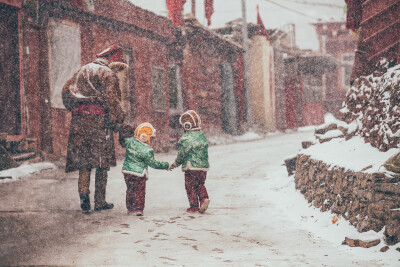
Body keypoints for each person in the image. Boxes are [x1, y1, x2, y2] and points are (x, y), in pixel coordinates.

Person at [62, 44, 133, 213]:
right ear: (111, 61)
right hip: (99, 122)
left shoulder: (81, 70)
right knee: (102, 162)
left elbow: (66, 91)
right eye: (117, 67)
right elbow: (112, 100)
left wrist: (76, 108)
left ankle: (83, 195)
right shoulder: (107, 74)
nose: (116, 71)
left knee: (84, 161)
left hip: (79, 122)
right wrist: (119, 121)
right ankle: (99, 201)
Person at [121, 122, 170, 216]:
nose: (150, 140)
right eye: (150, 138)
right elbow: (154, 164)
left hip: (127, 172)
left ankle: (130, 208)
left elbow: (123, 138)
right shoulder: (147, 150)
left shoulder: (129, 141)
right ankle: (139, 208)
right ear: (144, 136)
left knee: (130, 189)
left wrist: (127, 128)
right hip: (139, 173)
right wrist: (166, 165)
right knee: (140, 190)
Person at [169, 110, 210, 213]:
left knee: (190, 186)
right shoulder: (202, 136)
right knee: (200, 184)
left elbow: (182, 154)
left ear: (187, 126)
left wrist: (175, 164)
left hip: (191, 167)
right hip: (203, 168)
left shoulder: (186, 138)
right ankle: (204, 198)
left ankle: (194, 206)